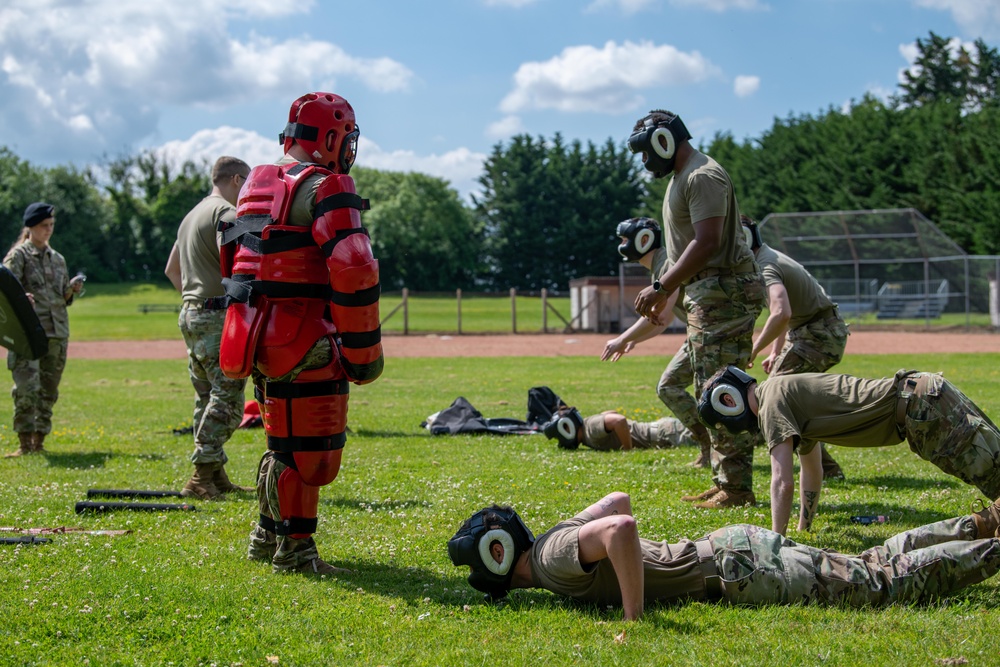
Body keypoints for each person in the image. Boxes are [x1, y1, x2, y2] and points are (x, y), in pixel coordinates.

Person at [216, 92, 383, 575]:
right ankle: (297, 549)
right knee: (311, 452)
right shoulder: (324, 186)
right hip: (306, 334)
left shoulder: (254, 184)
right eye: (345, 137)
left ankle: (266, 534)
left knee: (281, 443)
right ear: (330, 138)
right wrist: (363, 353)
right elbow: (355, 267)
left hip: (257, 334)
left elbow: (237, 258)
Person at [449, 491, 1000, 620]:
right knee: (867, 562)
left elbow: (620, 525)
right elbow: (614, 500)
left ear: (497, 559)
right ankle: (979, 524)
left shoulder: (549, 562)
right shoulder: (554, 542)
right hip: (733, 547)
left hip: (739, 570)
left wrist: (633, 615)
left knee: (882, 586)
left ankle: (991, 545)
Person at [627, 110, 766, 508]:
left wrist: (662, 286)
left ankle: (737, 490)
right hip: (710, 294)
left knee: (723, 391)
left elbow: (706, 243)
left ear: (663, 140)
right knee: (711, 388)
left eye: (645, 151)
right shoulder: (683, 178)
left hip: (723, 293)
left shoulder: (702, 175)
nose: (644, 160)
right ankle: (726, 481)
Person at [698, 366, 1000, 535]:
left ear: (728, 401)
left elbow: (781, 480)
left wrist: (776, 542)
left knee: (995, 479)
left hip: (920, 407)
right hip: (922, 397)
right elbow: (812, 471)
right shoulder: (780, 394)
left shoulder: (771, 404)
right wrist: (804, 526)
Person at [164, 156, 252, 500]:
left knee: (206, 395)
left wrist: (194, 298)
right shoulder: (225, 214)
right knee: (228, 397)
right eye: (246, 182)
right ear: (234, 179)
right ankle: (201, 476)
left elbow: (172, 269)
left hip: (190, 313)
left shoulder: (192, 216)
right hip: (216, 317)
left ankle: (216, 476)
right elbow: (236, 266)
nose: (248, 191)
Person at [741, 214, 849, 481]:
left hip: (818, 334)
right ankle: (825, 467)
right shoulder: (768, 257)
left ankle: (827, 468)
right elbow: (783, 317)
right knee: (785, 396)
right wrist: (776, 352)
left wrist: (754, 349)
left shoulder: (765, 266)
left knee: (777, 397)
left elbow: (781, 313)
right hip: (812, 331)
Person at [602, 217, 712, 467]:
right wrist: (635, 340)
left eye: (624, 240)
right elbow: (664, 317)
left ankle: (713, 447)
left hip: (707, 332)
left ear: (644, 240)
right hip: (699, 333)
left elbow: (659, 315)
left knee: (676, 387)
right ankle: (709, 448)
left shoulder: (665, 263)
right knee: (673, 387)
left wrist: (622, 339)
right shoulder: (660, 264)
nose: (621, 245)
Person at [3, 203, 84, 457]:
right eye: (43, 226)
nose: (48, 230)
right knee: (27, 389)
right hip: (28, 333)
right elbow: (4, 292)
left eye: (51, 226)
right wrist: (21, 297)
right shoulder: (18, 256)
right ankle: (24, 443)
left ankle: (39, 441)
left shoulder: (58, 258)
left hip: (57, 332)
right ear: (30, 228)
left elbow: (62, 296)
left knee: (49, 390)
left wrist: (71, 291)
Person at [542, 405, 696, 451]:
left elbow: (619, 420)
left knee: (715, 438)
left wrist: (627, 448)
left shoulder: (590, 430)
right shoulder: (589, 427)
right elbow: (611, 413)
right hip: (664, 432)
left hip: (667, 434)